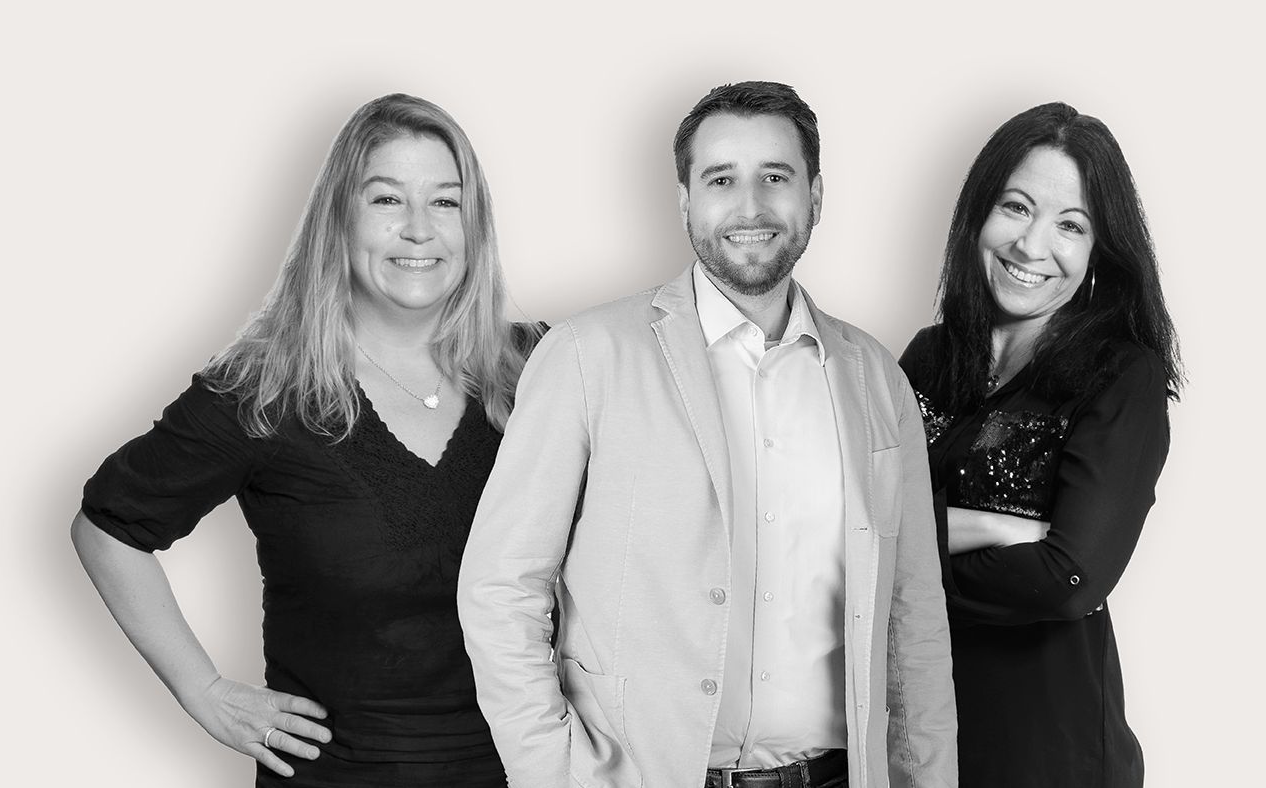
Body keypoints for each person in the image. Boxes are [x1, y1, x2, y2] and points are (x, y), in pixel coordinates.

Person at [460, 81, 957, 788]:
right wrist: (552, 771)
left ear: (816, 196)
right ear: (685, 201)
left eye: (775, 177)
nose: (750, 206)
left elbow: (914, 619)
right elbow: (500, 586)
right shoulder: (585, 356)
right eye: (721, 179)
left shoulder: (877, 378)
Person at [71, 94, 536, 787]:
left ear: (475, 225)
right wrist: (204, 692)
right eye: (387, 199)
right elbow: (109, 527)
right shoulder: (263, 390)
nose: (419, 229)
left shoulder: (541, 372)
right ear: (339, 218)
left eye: (446, 201)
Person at [900, 103, 1179, 788]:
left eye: (1070, 225)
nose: (1031, 245)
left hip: (1048, 753)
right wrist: (993, 528)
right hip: (916, 739)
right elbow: (850, 524)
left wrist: (903, 563)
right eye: (1016, 207)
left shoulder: (1122, 375)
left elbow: (1068, 579)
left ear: (1098, 251)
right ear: (979, 213)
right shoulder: (927, 358)